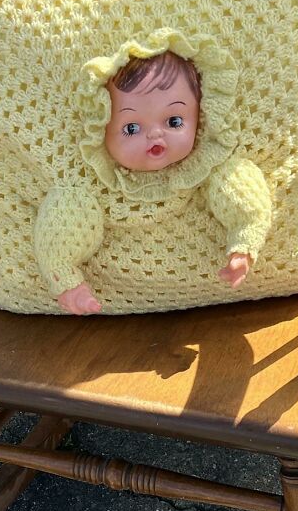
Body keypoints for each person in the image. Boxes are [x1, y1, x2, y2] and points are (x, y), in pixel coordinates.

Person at [53, 50, 260, 315]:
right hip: (106, 297)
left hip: (217, 294)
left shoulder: (210, 169)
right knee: (68, 208)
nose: (154, 135)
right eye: (131, 128)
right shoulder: (91, 186)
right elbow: (62, 222)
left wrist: (244, 244)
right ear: (100, 127)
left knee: (234, 179)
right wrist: (63, 276)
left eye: (174, 121)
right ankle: (66, 281)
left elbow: (248, 203)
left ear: (200, 118)